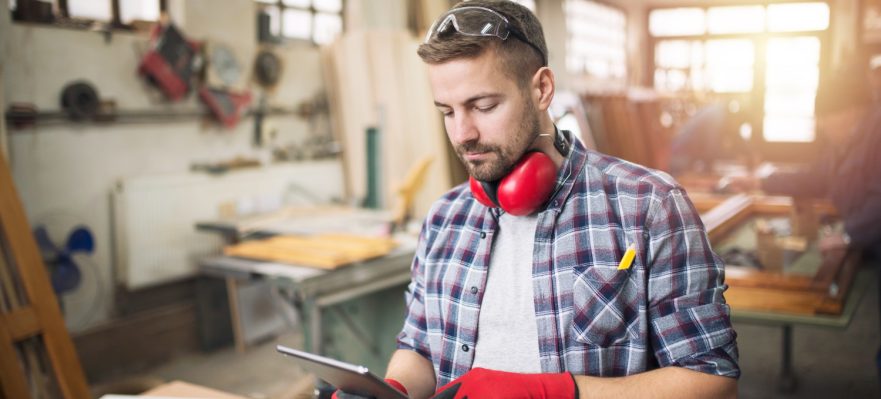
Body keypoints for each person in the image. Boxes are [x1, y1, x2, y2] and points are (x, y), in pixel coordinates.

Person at [337, 2, 738, 398]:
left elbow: (712, 381)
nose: (462, 134)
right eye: (447, 111)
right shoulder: (446, 217)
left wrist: (556, 392)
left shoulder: (648, 205)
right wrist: (390, 391)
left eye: (483, 106)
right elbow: (420, 349)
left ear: (542, 88)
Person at [726, 59, 881, 379]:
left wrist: (850, 235)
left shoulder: (875, 134)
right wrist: (761, 182)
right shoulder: (845, 142)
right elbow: (814, 177)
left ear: (850, 112)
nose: (823, 126)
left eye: (827, 119)